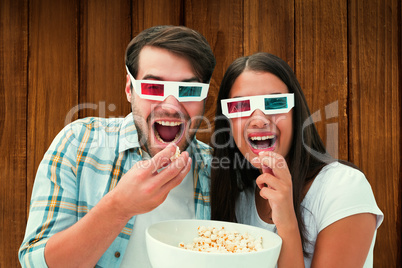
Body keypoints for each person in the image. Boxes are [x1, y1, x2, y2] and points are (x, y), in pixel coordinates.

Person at [19, 25, 216, 268]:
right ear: (129, 89)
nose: (171, 105)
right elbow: (35, 262)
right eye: (153, 88)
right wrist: (120, 206)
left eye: (189, 90)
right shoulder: (79, 142)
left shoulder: (215, 170)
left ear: (205, 98)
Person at [210, 52, 383, 267]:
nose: (258, 120)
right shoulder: (235, 194)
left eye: (274, 103)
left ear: (296, 113)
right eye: (240, 107)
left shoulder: (344, 188)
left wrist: (287, 221)